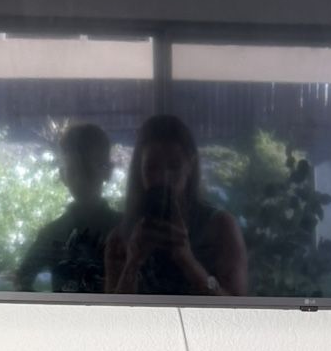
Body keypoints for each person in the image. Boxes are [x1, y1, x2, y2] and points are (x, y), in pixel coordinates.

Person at [105, 114, 248, 297]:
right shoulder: (120, 237)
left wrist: (188, 262)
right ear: (139, 170)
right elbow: (111, 318)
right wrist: (132, 264)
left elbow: (238, 310)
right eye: (152, 167)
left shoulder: (221, 227)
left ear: (190, 166)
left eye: (174, 166)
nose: (163, 177)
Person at [14, 123, 119, 293]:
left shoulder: (124, 228)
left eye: (87, 171)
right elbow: (22, 279)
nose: (80, 181)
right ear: (63, 176)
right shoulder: (51, 233)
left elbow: (22, 280)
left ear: (107, 172)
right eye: (74, 171)